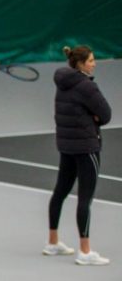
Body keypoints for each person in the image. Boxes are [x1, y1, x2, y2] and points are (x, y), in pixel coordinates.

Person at [47, 45, 111, 266]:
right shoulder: (86, 86)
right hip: (86, 147)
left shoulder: (62, 82)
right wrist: (93, 116)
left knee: (60, 192)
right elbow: (106, 114)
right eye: (91, 60)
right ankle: (85, 251)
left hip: (66, 146)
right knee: (85, 198)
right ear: (81, 64)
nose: (94, 63)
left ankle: (52, 242)